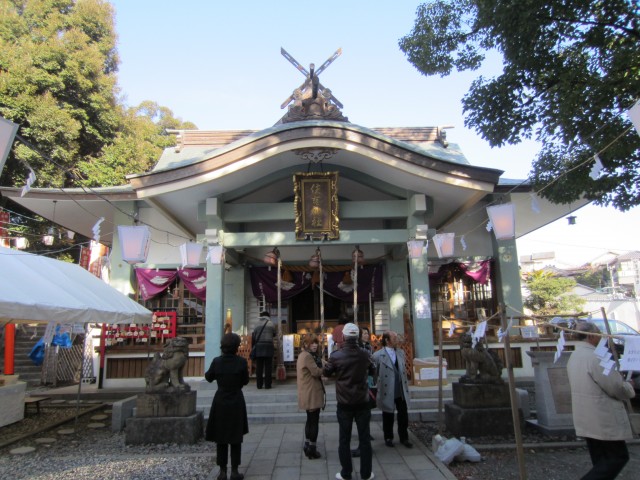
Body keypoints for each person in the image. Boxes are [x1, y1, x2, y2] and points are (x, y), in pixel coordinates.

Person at [566, 321, 635, 479]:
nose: (602, 338)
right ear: (591, 336)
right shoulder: (597, 357)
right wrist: (628, 387)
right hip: (603, 416)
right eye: (599, 334)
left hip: (586, 415)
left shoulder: (575, 356)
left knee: (601, 460)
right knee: (616, 458)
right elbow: (615, 387)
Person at [323, 322, 376, 480]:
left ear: (344, 337)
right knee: (364, 438)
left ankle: (346, 472)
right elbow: (373, 369)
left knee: (344, 439)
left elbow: (327, 372)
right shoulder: (365, 354)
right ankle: (366, 473)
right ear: (358, 336)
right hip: (362, 400)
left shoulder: (336, 356)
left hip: (345, 401)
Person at [205, 333, 249, 480]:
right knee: (236, 437)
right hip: (236, 399)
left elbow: (208, 377)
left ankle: (223, 470)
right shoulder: (241, 362)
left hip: (221, 400)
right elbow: (245, 380)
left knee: (221, 438)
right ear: (237, 347)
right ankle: (235, 470)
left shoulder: (217, 362)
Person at [373, 330, 412, 448]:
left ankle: (404, 437)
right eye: (394, 338)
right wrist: (377, 384)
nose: (396, 341)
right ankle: (388, 437)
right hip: (387, 387)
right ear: (387, 340)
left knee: (403, 414)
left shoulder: (400, 353)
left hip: (400, 387)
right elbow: (374, 372)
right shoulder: (378, 355)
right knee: (388, 414)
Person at [296, 333, 326, 459]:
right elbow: (316, 371)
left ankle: (307, 444)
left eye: (316, 343)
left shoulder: (304, 355)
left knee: (309, 420)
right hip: (312, 391)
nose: (314, 345)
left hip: (306, 391)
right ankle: (312, 449)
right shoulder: (308, 356)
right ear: (305, 344)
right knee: (314, 421)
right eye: (311, 343)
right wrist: (325, 367)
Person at [252, 310, 276, 389]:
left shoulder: (256, 324)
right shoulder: (271, 324)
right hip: (268, 347)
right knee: (268, 367)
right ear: (268, 316)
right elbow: (274, 334)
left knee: (259, 367)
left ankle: (259, 385)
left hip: (259, 347)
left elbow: (254, 336)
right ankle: (268, 385)